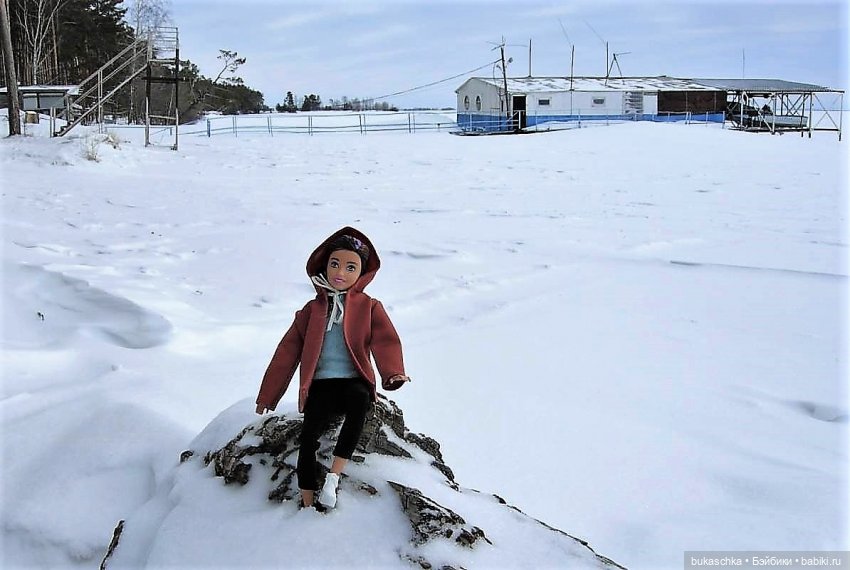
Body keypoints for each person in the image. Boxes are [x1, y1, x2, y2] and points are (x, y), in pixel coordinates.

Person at [255, 227, 411, 511]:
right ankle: (306, 501)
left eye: (351, 267)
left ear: (362, 273)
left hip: (354, 379)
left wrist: (393, 372)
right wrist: (268, 395)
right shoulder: (311, 311)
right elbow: (286, 353)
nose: (340, 272)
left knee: (358, 406)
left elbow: (385, 339)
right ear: (324, 266)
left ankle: (334, 476)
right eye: (335, 264)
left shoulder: (369, 307)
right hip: (321, 383)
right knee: (309, 436)